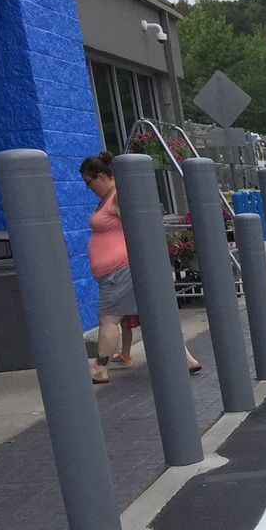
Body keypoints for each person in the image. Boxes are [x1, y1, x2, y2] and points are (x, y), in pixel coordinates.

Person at [80, 152, 201, 383]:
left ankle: (99, 369)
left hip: (121, 271)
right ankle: (186, 359)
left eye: (89, 182)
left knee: (108, 319)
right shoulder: (109, 199)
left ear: (103, 176)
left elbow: (138, 228)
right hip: (119, 271)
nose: (89, 188)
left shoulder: (116, 198)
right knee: (153, 315)